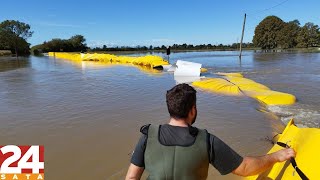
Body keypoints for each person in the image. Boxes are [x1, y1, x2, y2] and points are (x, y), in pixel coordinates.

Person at [125, 84, 295, 180]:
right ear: (193, 110)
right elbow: (244, 168)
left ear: (170, 108)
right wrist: (276, 156)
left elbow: (131, 178)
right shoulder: (205, 140)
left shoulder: (148, 135)